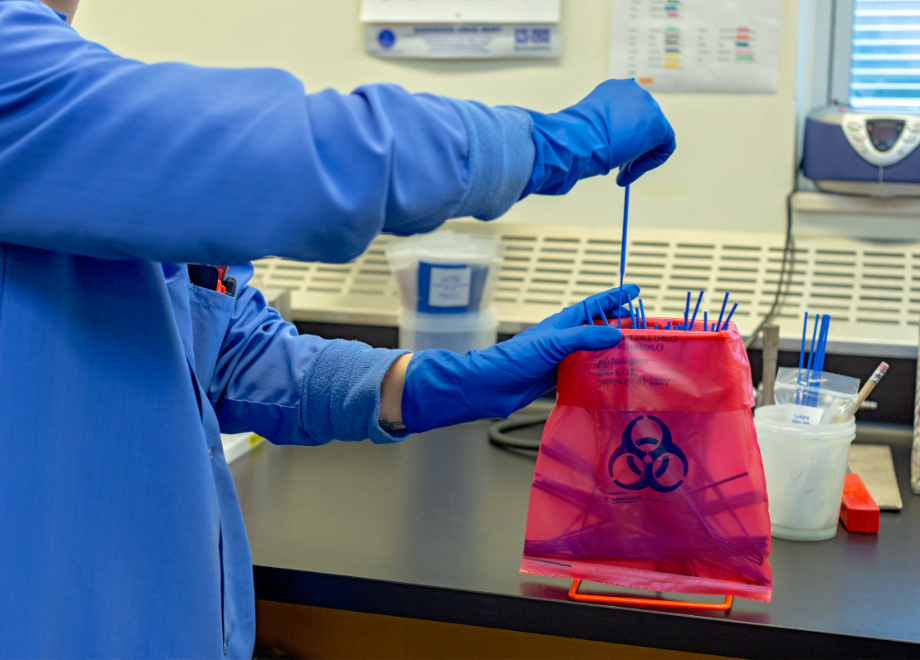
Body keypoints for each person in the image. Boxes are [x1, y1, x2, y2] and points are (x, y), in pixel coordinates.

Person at [0, 0, 676, 657]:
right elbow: (315, 157)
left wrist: (426, 383)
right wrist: (553, 142)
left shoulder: (70, 96)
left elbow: (230, 354)